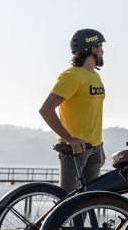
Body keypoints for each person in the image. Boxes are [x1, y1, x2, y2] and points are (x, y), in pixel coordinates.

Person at [38, 29, 107, 192]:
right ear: (92, 49)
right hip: (75, 150)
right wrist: (69, 139)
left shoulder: (95, 76)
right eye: (100, 47)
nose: (103, 51)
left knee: (88, 206)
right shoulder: (72, 76)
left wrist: (100, 146)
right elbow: (46, 110)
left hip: (94, 149)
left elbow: (92, 113)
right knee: (67, 203)